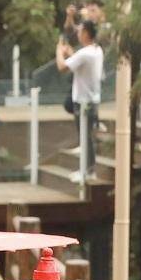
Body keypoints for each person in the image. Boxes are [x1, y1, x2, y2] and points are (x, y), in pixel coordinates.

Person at [56, 21, 105, 183]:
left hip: (84, 101)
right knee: (86, 136)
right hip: (91, 99)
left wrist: (59, 51)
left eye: (80, 31)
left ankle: (88, 171)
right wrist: (70, 53)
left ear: (86, 33)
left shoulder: (85, 54)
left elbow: (62, 67)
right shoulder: (96, 50)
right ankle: (86, 169)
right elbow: (79, 60)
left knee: (85, 137)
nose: (77, 34)